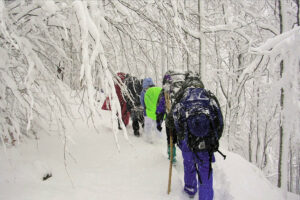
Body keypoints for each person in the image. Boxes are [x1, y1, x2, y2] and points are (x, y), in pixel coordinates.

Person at [172, 72, 224, 200]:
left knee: (189, 165)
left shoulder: (182, 97)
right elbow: (219, 121)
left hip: (187, 141)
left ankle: (190, 190)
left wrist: (180, 138)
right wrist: (215, 139)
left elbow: (174, 120)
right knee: (205, 171)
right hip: (206, 142)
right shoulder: (209, 97)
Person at [156, 70, 186, 163]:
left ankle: (172, 157)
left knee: (171, 139)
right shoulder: (184, 89)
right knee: (184, 138)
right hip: (183, 119)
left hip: (170, 120)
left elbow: (160, 107)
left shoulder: (165, 90)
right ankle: (188, 158)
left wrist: (159, 122)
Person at [140, 77, 162, 143]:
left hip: (148, 112)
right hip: (157, 112)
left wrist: (145, 108)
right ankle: (159, 138)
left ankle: (148, 138)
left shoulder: (144, 92)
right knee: (157, 125)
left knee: (148, 125)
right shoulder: (157, 89)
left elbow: (142, 102)